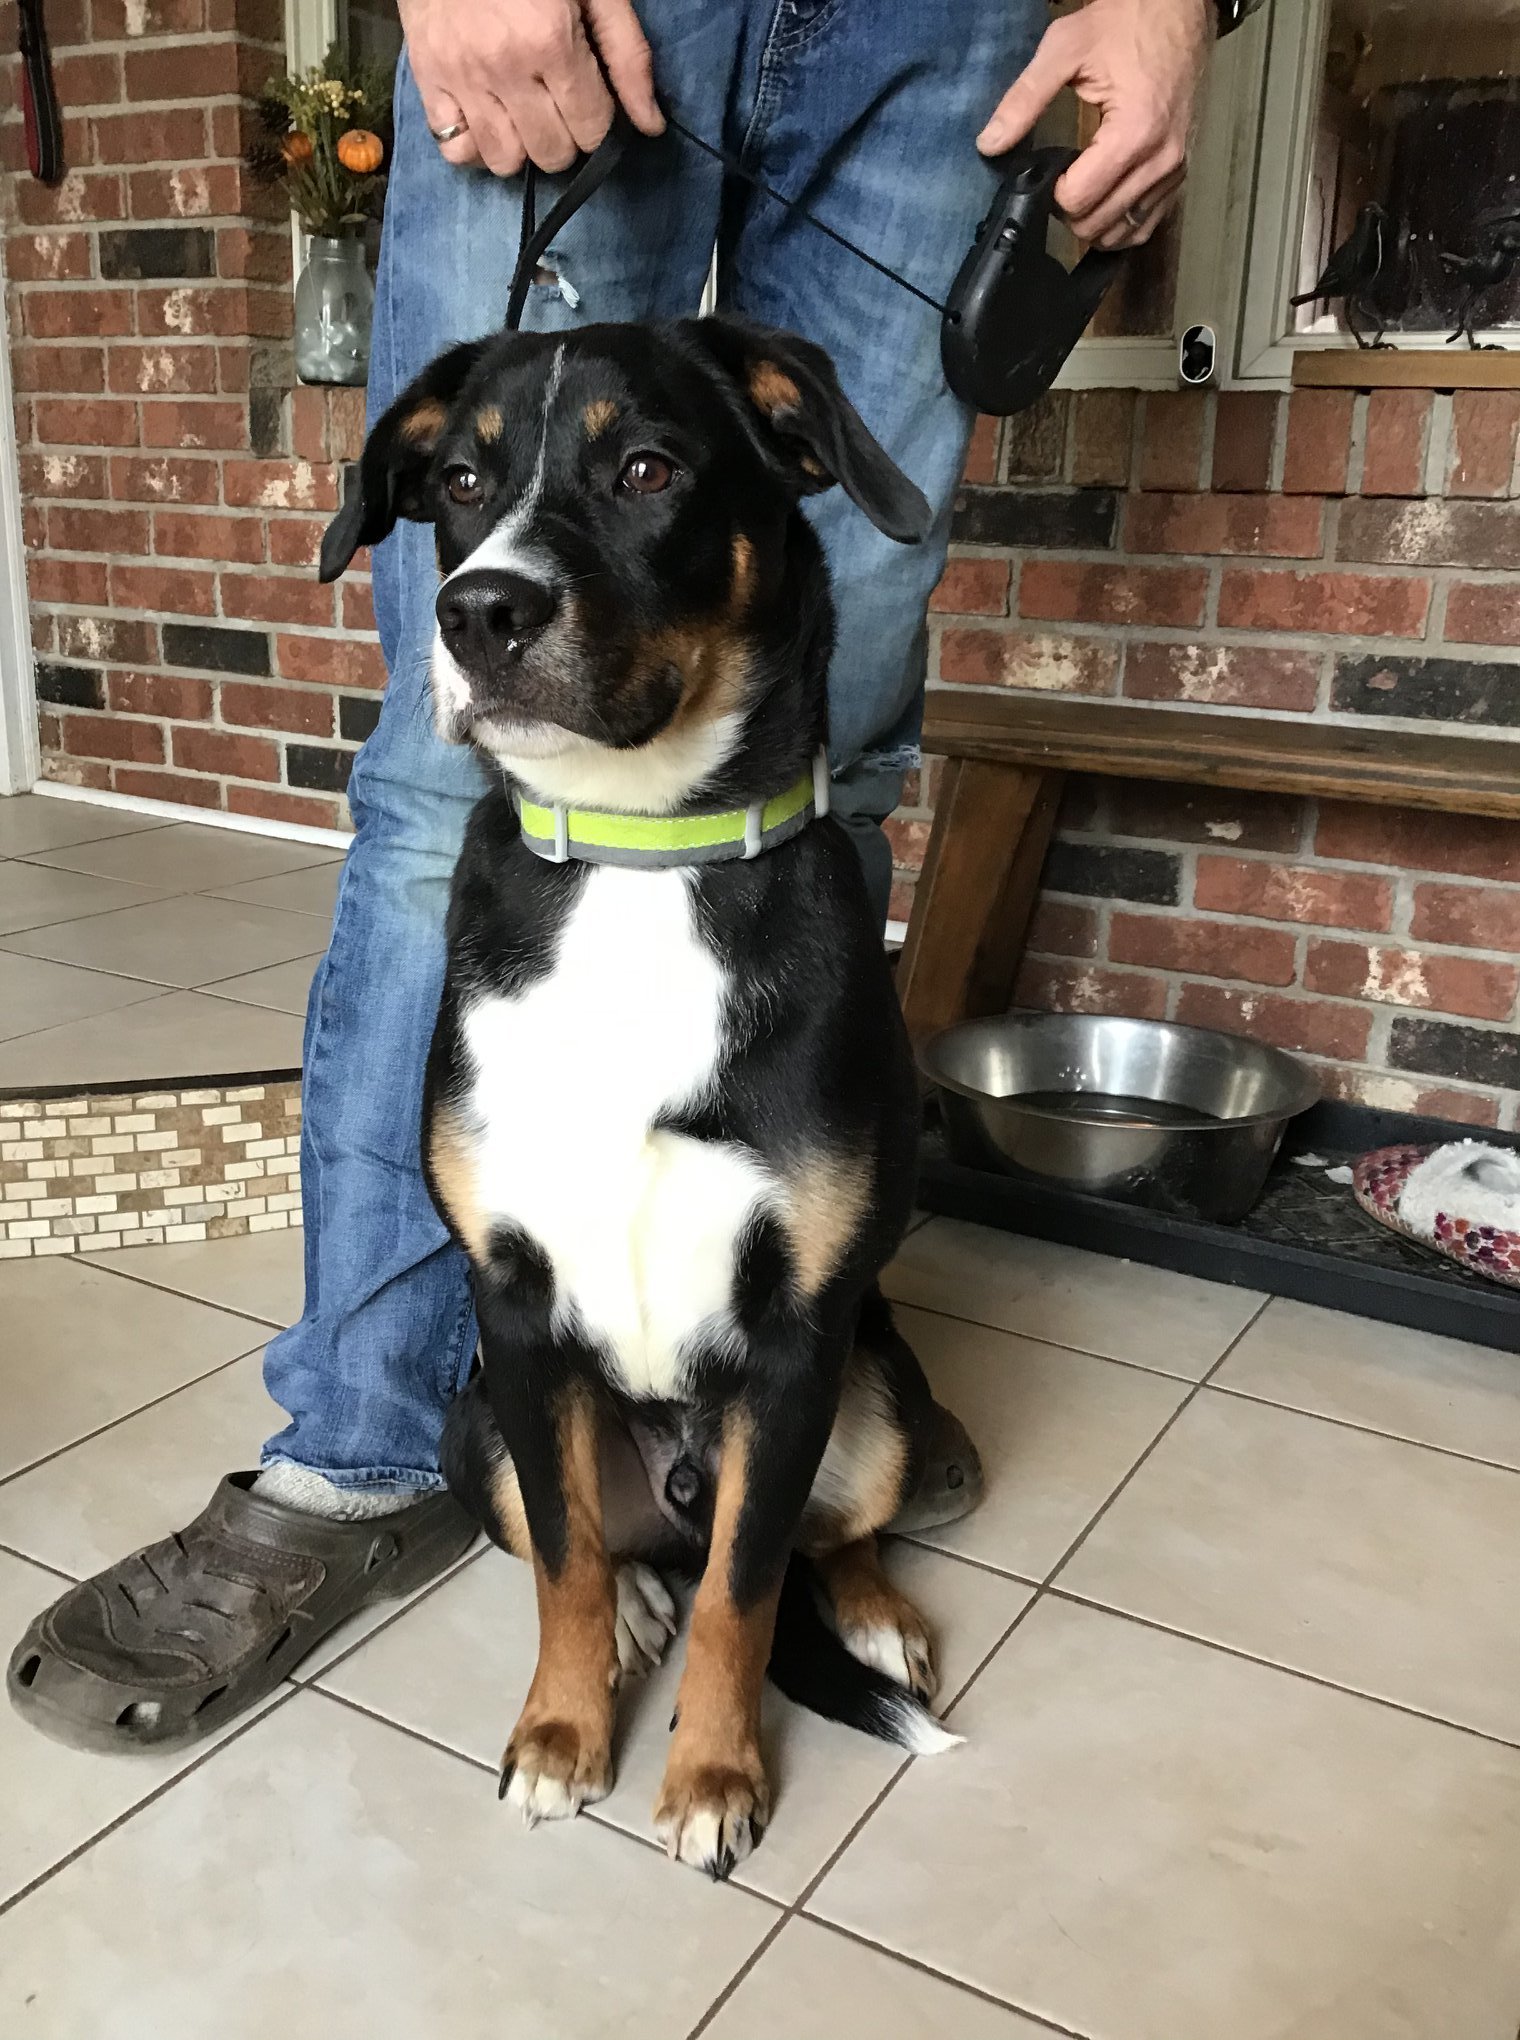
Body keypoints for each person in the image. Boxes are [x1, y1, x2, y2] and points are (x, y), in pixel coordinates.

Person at [9, 0, 1228, 1750]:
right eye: (462, 500)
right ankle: (358, 1452)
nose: (496, 570)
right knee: (439, 799)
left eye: (643, 477)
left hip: (966, 30)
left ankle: (791, 1461)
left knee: (845, 722)